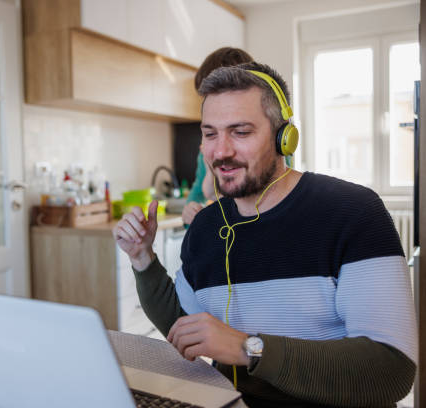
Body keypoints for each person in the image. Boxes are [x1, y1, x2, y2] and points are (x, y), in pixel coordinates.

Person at [112, 61, 417, 407]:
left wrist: (248, 348)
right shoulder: (206, 228)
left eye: (240, 132)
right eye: (210, 133)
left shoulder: (354, 212)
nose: (221, 151)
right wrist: (142, 258)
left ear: (283, 136)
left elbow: (391, 370)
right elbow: (185, 328)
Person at [183, 48, 254, 226]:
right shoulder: (206, 149)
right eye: (206, 97)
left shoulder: (265, 144)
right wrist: (189, 209)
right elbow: (198, 193)